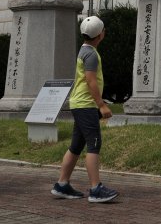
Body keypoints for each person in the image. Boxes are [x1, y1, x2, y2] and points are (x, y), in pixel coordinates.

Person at [51, 16, 118, 203]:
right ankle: (96, 189)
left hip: (79, 104)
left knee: (76, 146)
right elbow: (91, 81)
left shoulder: (84, 51)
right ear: (100, 35)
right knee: (94, 144)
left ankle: (62, 184)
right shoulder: (91, 55)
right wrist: (102, 105)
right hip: (86, 105)